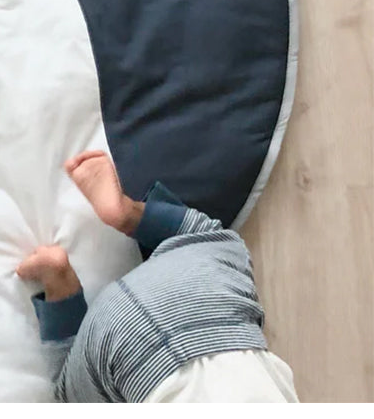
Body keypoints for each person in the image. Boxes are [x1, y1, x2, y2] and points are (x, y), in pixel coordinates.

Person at [17, 150, 298, 402]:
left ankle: (127, 213)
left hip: (207, 294)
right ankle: (57, 275)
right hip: (122, 340)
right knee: (71, 394)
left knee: (211, 238)